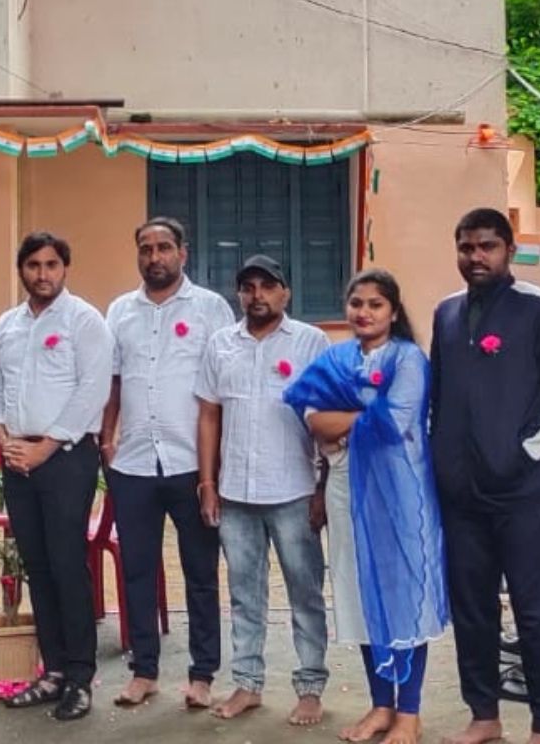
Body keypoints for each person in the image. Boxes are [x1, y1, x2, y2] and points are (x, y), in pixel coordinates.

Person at [431, 208, 540, 744]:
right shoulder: (447, 314)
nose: (476, 257)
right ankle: (484, 715)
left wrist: (526, 450)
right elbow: (438, 395)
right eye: (466, 247)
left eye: (487, 246)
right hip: (460, 495)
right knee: (472, 609)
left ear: (509, 250)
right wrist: (441, 458)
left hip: (522, 494)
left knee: (535, 610)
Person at [285, 269, 449, 744]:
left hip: (402, 490)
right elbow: (315, 422)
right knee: (359, 594)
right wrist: (361, 417)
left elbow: (396, 421)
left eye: (375, 304)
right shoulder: (336, 360)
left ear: (393, 312)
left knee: (402, 595)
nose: (364, 312)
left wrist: (346, 420)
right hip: (345, 489)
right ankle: (381, 705)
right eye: (356, 303)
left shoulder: (409, 359)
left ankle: (409, 712)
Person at [100, 216, 234, 710]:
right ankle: (144, 671)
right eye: (146, 249)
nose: (154, 257)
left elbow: (222, 388)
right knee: (137, 569)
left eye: (163, 247)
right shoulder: (120, 311)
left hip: (192, 464)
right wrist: (107, 440)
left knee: (200, 572)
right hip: (133, 462)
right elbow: (114, 382)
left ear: (183, 252)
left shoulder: (210, 309)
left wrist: (215, 468)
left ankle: (202, 674)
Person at [0, 231, 114, 721]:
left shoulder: (84, 321)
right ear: (22, 270)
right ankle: (52, 670)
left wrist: (45, 447)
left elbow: (92, 391)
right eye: (33, 265)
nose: (42, 274)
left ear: (64, 268)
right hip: (18, 457)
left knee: (66, 564)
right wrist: (1, 437)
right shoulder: (7, 325)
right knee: (36, 564)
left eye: (51, 264)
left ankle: (79, 677)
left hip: (66, 457)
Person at [196, 254, 332, 725]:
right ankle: (247, 683)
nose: (257, 295)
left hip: (294, 490)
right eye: (248, 287)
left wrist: (321, 489)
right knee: (243, 595)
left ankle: (310, 686)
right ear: (239, 294)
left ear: (285, 293)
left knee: (306, 593)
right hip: (235, 493)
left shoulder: (311, 342)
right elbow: (209, 414)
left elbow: (326, 416)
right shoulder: (221, 344)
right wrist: (208, 483)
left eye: (267, 286)